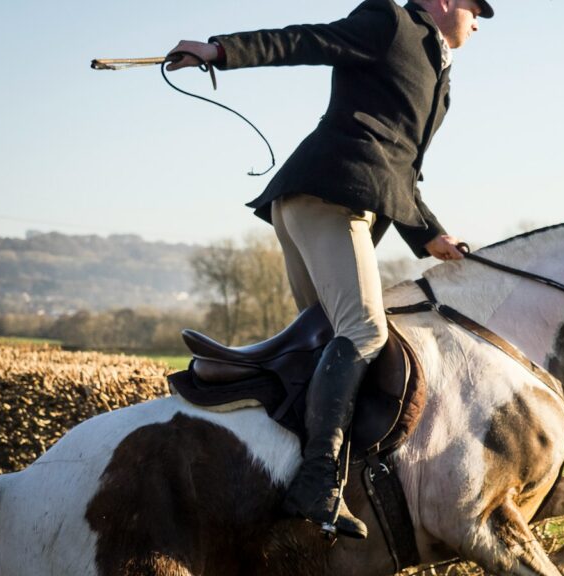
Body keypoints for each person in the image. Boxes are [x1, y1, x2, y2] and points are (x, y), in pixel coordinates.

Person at [167, 0, 493, 540]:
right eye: (474, 7)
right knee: (364, 331)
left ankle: (272, 470)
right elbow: (307, 39)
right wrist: (219, 50)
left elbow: (400, 170)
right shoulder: (390, 20)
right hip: (330, 197)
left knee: (324, 339)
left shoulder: (438, 71)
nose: (479, 21)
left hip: (325, 200)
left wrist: (429, 232)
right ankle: (319, 483)